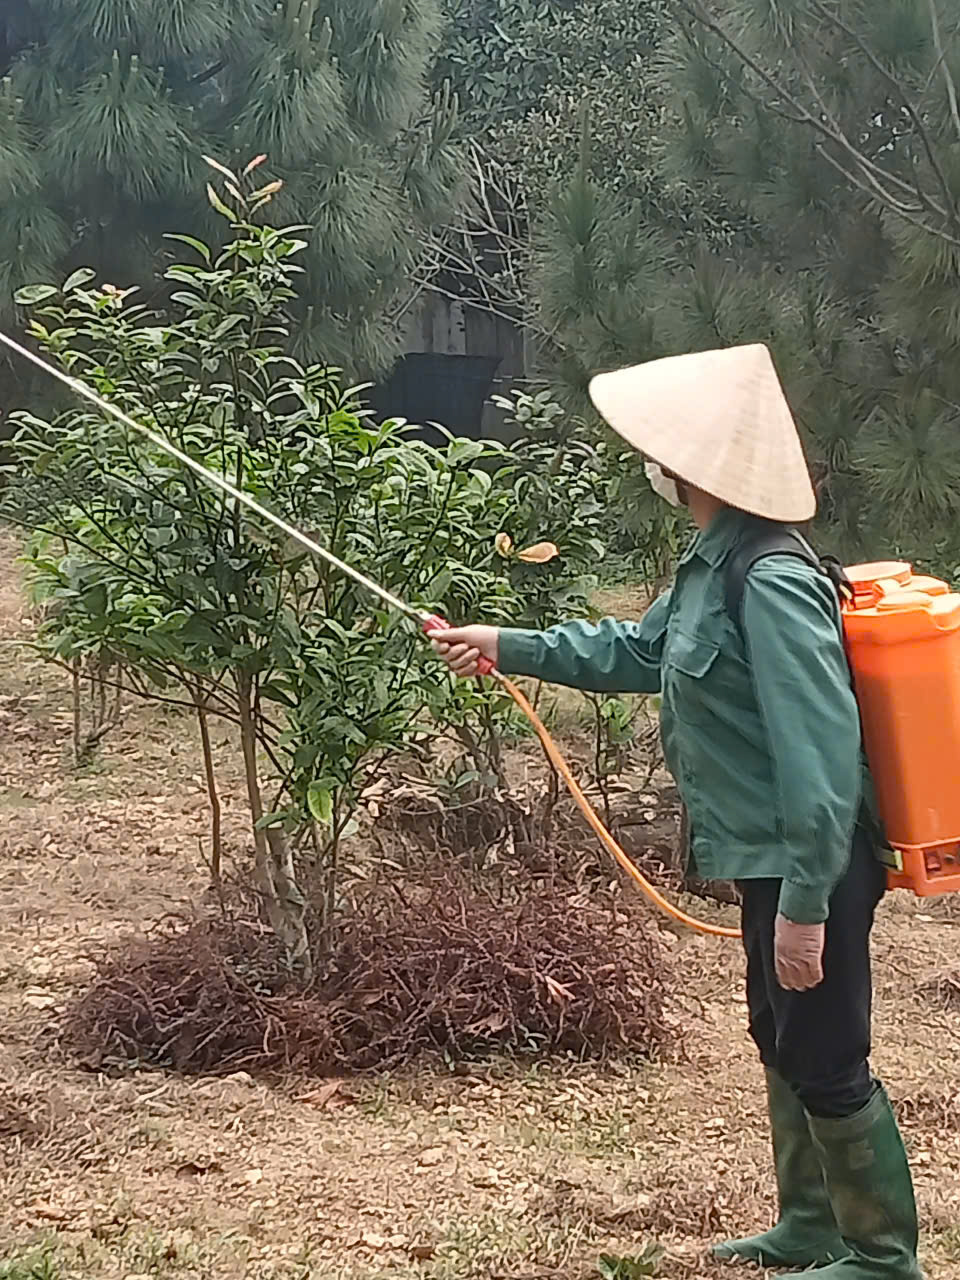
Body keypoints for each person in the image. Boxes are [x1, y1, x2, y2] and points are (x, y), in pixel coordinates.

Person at [429, 344, 922, 1280]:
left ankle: (882, 1256)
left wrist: (807, 907)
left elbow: (819, 760)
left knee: (826, 1051)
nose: (651, 465)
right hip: (761, 856)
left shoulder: (770, 580)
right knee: (779, 1035)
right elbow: (636, 651)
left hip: (807, 860)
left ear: (696, 468)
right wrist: (504, 641)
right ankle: (811, 1226)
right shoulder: (712, 566)